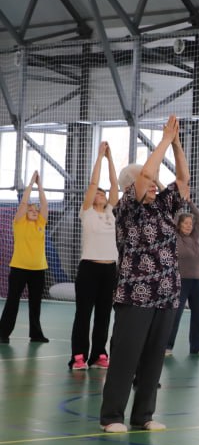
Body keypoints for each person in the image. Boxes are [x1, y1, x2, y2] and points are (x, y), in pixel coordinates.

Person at [98, 116, 189, 433]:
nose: (153, 183)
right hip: (135, 295)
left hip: (166, 294)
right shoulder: (127, 208)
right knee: (126, 356)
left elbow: (183, 178)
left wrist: (176, 143)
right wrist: (163, 140)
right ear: (129, 187)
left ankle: (143, 415)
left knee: (153, 359)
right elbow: (148, 173)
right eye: (145, 181)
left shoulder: (163, 206)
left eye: (153, 182)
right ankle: (112, 416)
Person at [70, 142, 119, 369]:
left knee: (103, 314)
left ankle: (99, 354)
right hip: (89, 268)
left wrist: (110, 159)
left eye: (102, 193)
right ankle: (78, 355)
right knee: (83, 313)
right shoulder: (87, 212)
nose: (100, 194)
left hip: (109, 270)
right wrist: (99, 157)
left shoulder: (111, 212)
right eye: (97, 193)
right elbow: (93, 183)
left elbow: (114, 185)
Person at [0, 171, 49, 344]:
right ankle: (3, 333)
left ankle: (36, 334)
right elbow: (23, 203)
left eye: (36, 209)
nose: (34, 211)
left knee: (35, 303)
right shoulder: (19, 223)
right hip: (19, 268)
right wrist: (30, 184)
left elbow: (44, 204)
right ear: (24, 212)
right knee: (13, 301)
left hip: (38, 269)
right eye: (30, 209)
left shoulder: (40, 223)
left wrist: (40, 185)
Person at [167, 205, 199, 356]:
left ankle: (196, 347)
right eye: (185, 223)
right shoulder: (175, 238)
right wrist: (180, 202)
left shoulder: (194, 238)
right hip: (181, 281)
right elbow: (173, 219)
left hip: (198, 281)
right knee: (176, 314)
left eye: (191, 223)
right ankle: (167, 346)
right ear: (179, 225)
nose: (189, 226)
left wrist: (190, 203)